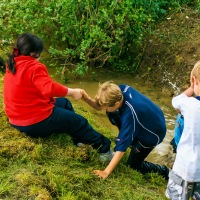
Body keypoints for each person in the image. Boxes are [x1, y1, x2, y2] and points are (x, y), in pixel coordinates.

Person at [2, 33, 112, 159]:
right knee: (79, 122)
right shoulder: (34, 67)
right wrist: (72, 91)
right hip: (33, 122)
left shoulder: (13, 62)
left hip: (16, 118)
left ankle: (78, 139)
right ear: (33, 54)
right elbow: (49, 88)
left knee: (65, 103)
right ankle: (106, 151)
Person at [81, 81, 169, 179]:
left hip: (153, 133)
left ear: (117, 103)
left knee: (133, 166)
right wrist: (85, 98)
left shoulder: (130, 116)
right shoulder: (119, 90)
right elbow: (101, 106)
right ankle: (129, 138)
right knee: (112, 113)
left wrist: (106, 172)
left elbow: (121, 148)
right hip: (152, 117)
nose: (104, 110)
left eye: (106, 108)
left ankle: (164, 171)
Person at [165, 61, 200, 199]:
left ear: (193, 80)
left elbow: (176, 101)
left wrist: (192, 88)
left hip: (184, 169)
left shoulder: (189, 104)